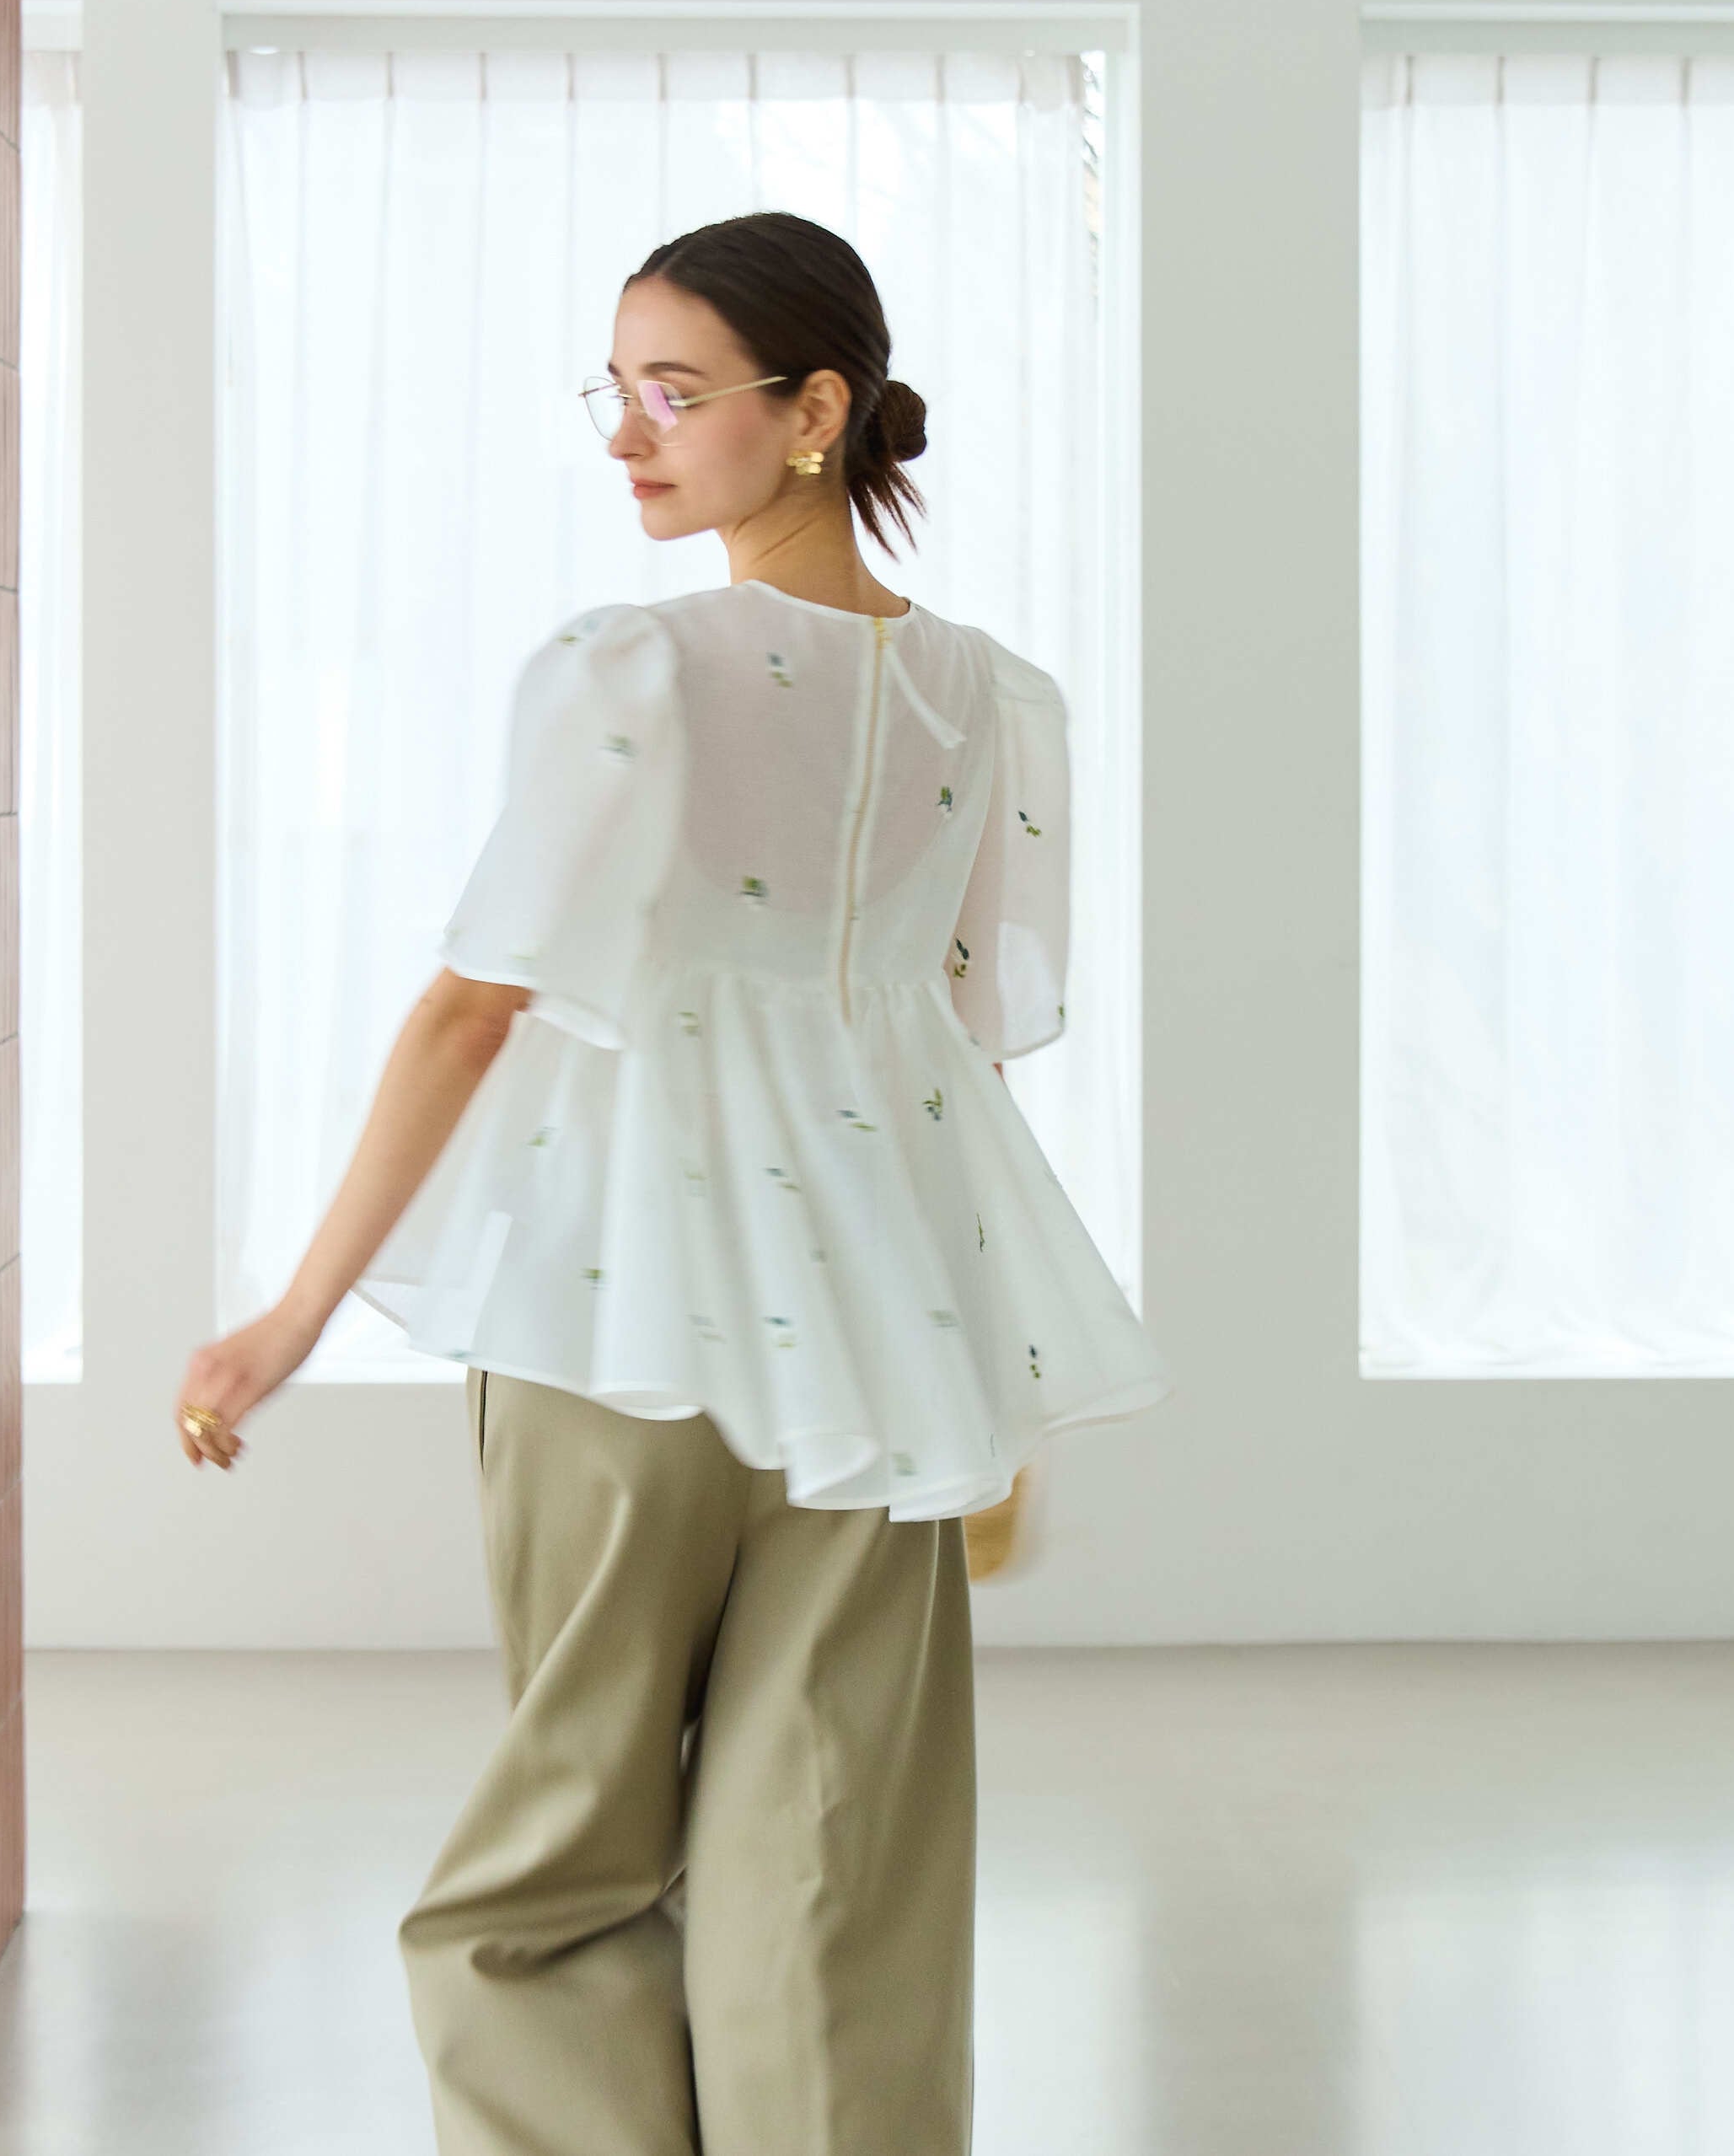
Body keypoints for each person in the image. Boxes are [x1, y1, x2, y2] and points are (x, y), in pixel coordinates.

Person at [169, 209, 1172, 2153]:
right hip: (876, 1333)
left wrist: (286, 1317)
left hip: (613, 1316)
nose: (627, 435)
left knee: (560, 1848)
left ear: (812, 411)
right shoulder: (987, 696)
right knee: (835, 1861)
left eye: (675, 392)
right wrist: (980, 1379)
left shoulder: (632, 665)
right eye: (616, 390)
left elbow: (472, 1006)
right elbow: (953, 1040)